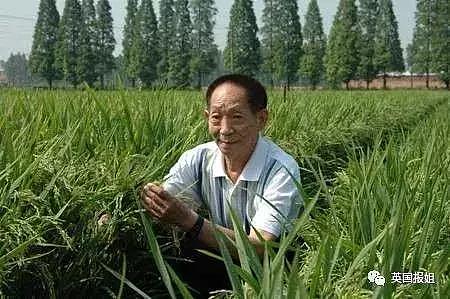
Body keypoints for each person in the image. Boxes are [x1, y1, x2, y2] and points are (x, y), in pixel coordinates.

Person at [141, 74, 302, 297]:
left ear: (261, 119)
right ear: (207, 117)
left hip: (271, 274)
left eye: (236, 117)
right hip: (220, 262)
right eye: (216, 118)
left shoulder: (280, 169)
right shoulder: (197, 159)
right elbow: (163, 197)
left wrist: (189, 220)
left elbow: (259, 247)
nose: (225, 129)